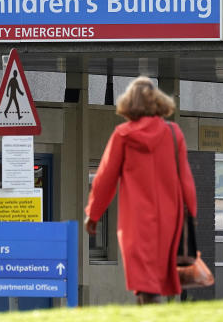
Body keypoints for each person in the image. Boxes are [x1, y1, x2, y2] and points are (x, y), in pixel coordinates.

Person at [84, 76, 197, 305]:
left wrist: (94, 214)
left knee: (144, 280)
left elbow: (105, 178)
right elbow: (186, 180)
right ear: (158, 103)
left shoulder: (123, 135)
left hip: (135, 218)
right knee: (153, 279)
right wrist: (191, 215)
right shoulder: (174, 134)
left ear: (129, 104)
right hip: (169, 217)